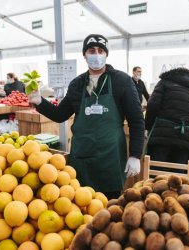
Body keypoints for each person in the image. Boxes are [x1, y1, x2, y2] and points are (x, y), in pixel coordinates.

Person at [28, 34, 145, 199]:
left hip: (109, 157)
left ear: (106, 54)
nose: (96, 54)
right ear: (85, 54)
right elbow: (60, 114)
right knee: (81, 204)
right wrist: (40, 102)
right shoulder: (77, 83)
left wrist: (135, 154)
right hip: (82, 156)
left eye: (100, 50)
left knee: (108, 208)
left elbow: (137, 120)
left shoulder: (122, 81)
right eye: (91, 50)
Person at [145, 67, 189, 164]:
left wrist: (148, 126)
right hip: (185, 140)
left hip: (162, 136)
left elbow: (152, 106)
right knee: (179, 175)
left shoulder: (164, 83)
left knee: (156, 173)